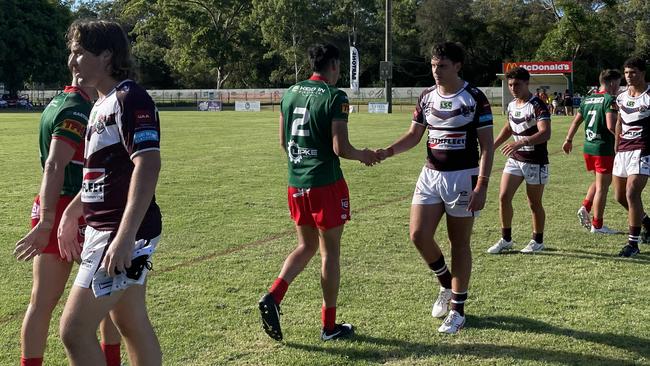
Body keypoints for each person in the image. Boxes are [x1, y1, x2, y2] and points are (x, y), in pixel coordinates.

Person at [57, 19, 163, 365]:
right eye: (71, 53)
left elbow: (147, 165)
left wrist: (124, 236)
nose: (72, 62)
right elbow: (99, 174)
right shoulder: (99, 104)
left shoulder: (130, 98)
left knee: (74, 330)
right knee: (129, 321)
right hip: (105, 230)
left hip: (119, 233)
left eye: (79, 53)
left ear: (106, 56)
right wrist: (74, 211)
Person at [258, 43, 379, 342]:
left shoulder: (291, 92)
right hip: (326, 183)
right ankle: (329, 326)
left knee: (306, 246)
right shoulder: (336, 96)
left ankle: (274, 295)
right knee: (330, 253)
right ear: (335, 65)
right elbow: (341, 148)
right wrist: (364, 154)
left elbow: (283, 143)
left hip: (296, 182)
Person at [376, 42, 494, 334]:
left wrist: (481, 185)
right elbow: (414, 135)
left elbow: (488, 147)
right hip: (430, 175)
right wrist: (387, 152)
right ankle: (445, 283)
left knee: (459, 243)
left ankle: (458, 310)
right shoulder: (426, 96)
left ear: (457, 66)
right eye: (433, 65)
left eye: (442, 66)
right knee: (417, 235)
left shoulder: (475, 98)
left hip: (463, 177)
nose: (436, 71)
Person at [13, 62, 121, 366]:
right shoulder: (76, 108)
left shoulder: (60, 101)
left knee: (42, 302)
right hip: (72, 206)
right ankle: (112, 361)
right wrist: (50, 221)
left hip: (57, 204)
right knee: (104, 293)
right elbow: (55, 165)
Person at [487, 66, 551, 254]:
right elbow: (509, 127)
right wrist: (493, 145)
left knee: (534, 203)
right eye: (510, 85)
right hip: (515, 159)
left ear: (527, 83)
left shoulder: (537, 105)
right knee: (504, 197)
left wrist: (521, 142)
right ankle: (506, 239)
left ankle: (537, 241)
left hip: (535, 160)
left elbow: (545, 132)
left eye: (517, 84)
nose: (513, 88)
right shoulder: (513, 104)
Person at [562, 69, 621, 234]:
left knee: (600, 181)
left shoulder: (587, 99)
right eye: (618, 82)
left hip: (589, 147)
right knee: (603, 187)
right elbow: (611, 125)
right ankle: (598, 225)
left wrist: (568, 140)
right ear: (611, 83)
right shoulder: (610, 99)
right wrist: (623, 140)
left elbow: (575, 122)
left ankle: (585, 207)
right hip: (603, 148)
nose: (619, 86)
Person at [613, 57, 650, 257]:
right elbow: (619, 120)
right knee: (619, 197)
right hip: (623, 150)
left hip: (643, 149)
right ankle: (647, 223)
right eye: (626, 73)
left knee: (631, 193)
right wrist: (616, 145)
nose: (629, 76)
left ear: (643, 73)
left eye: (633, 72)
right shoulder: (621, 96)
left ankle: (633, 244)